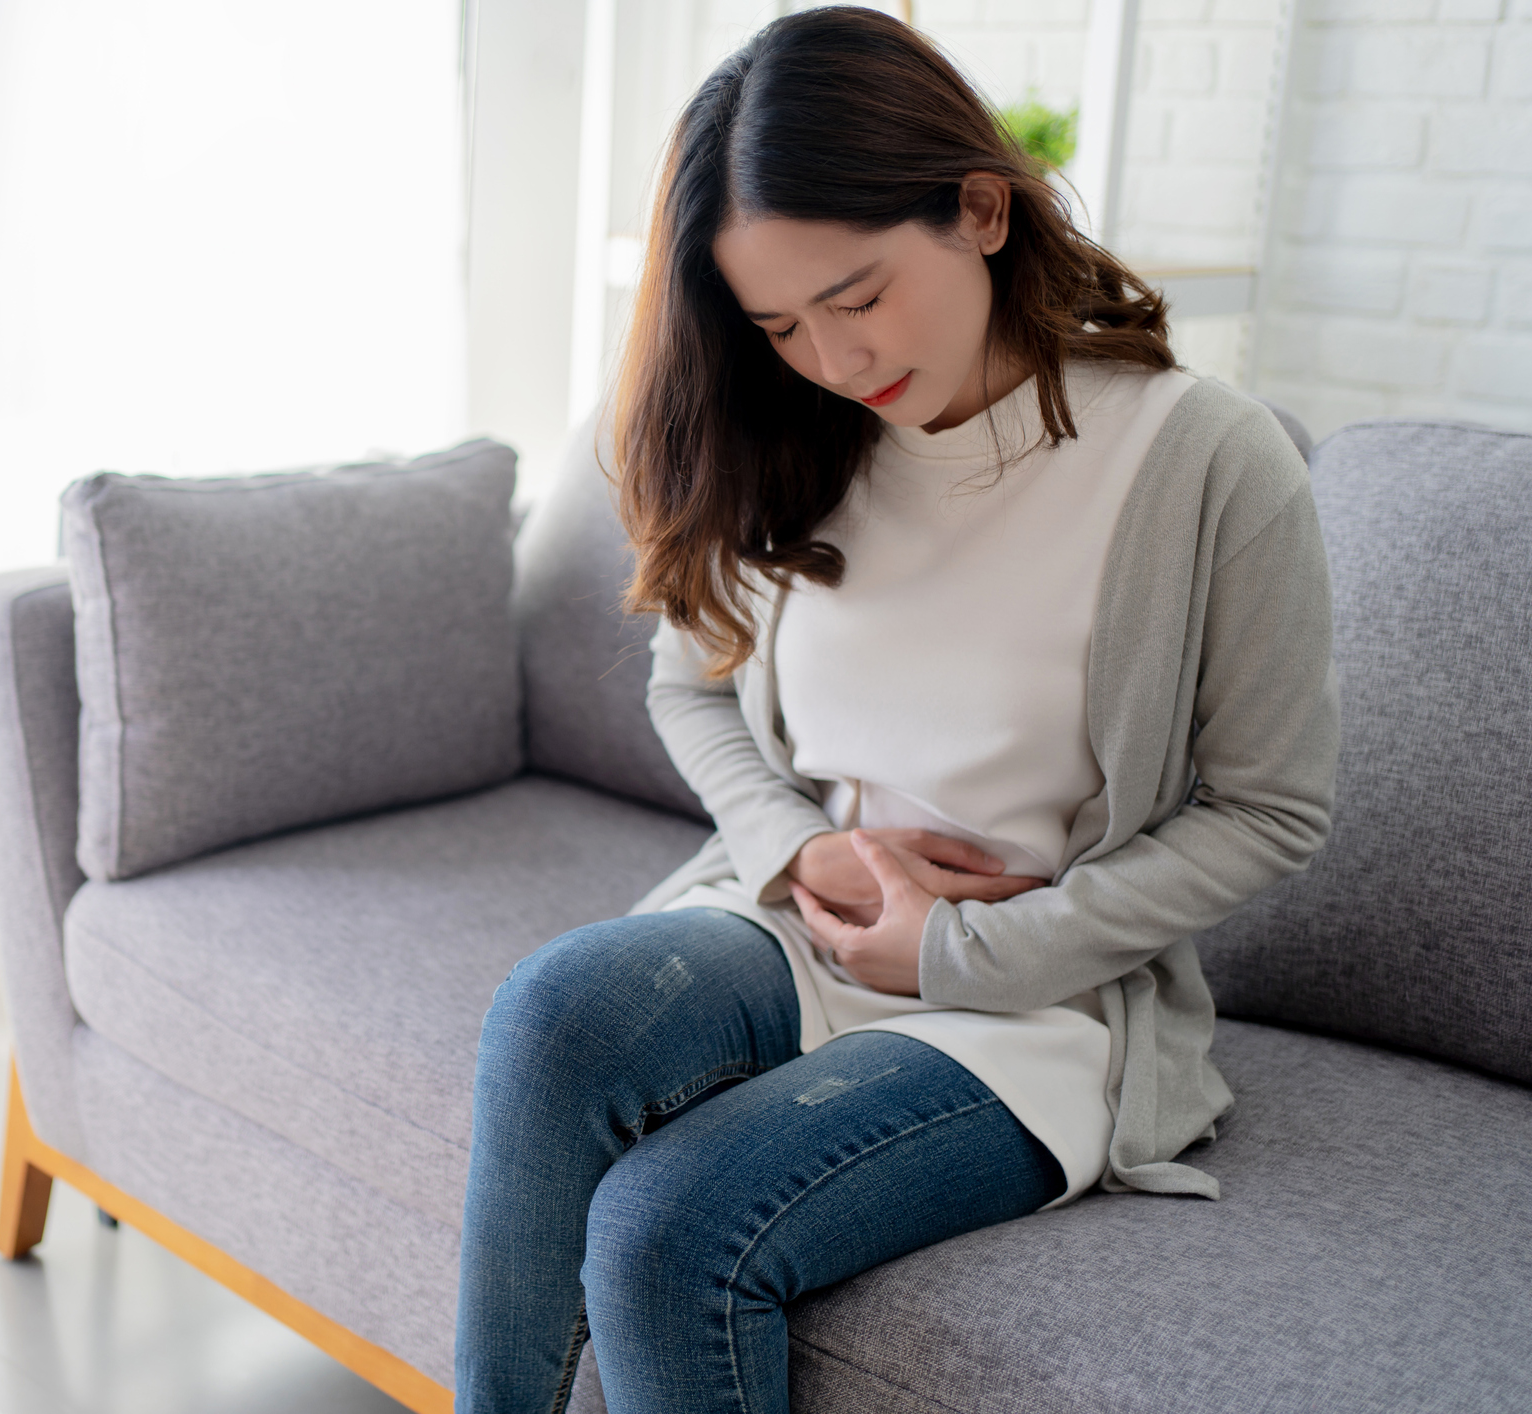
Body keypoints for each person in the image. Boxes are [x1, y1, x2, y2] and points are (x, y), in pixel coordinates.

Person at [453, 8, 1339, 1413]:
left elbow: (1269, 807)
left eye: (856, 295)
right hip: (796, 923)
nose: (830, 356)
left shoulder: (1201, 460)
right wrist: (797, 848)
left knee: (668, 1227)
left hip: (1042, 1007)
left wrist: (966, 946)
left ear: (980, 209)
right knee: (552, 1011)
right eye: (778, 323)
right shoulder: (799, 433)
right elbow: (686, 688)